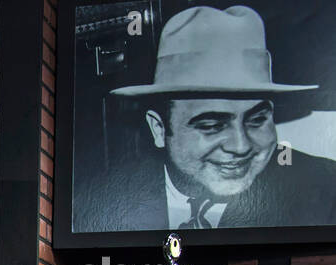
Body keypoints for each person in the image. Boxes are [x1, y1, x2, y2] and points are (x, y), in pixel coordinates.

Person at [84, 5, 336, 231]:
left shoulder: (326, 190)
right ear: (159, 129)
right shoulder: (101, 197)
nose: (240, 146)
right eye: (212, 125)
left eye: (257, 120)